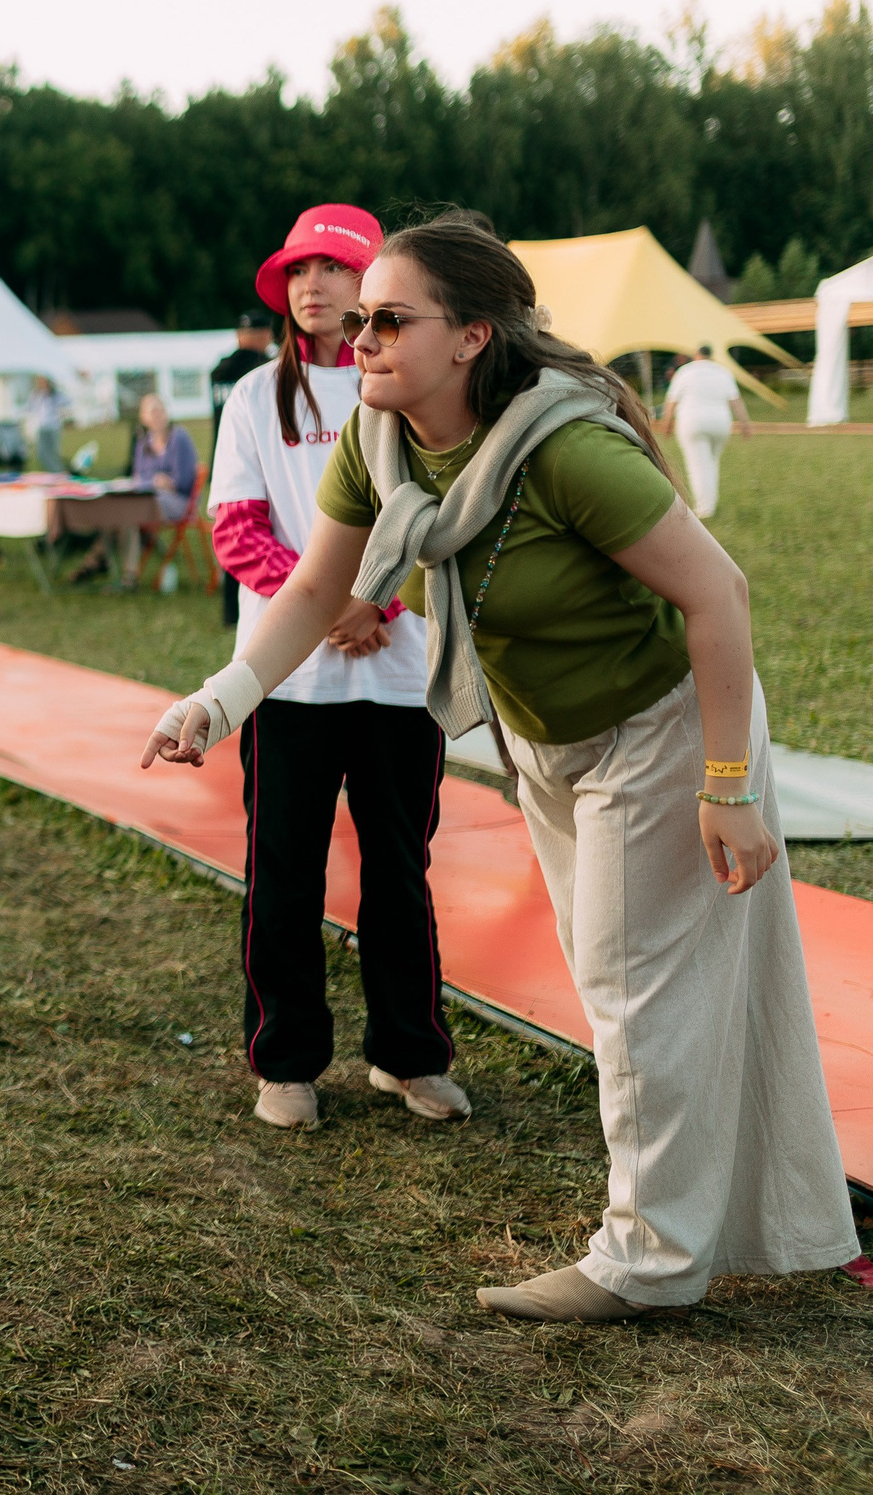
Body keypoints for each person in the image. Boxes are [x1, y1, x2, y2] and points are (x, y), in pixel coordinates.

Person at [144, 210, 858, 1323]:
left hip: (661, 731)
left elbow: (718, 593)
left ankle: (646, 1258)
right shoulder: (377, 443)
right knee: (635, 990)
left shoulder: (562, 445)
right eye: (361, 318)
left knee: (630, 993)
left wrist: (730, 785)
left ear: (472, 335)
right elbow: (310, 591)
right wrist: (217, 702)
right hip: (548, 744)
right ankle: (735, 1221)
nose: (363, 338)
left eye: (390, 318)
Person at [207, 203, 455, 1132]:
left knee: (399, 871)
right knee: (284, 875)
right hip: (289, 684)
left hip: (398, 680)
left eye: (333, 270)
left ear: (374, 288)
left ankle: (409, 1055)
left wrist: (378, 604)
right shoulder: (250, 399)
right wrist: (329, 611)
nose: (312, 286)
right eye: (299, 271)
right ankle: (286, 1063)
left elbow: (441, 520)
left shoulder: (409, 391)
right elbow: (238, 532)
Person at [72, 394, 195, 586]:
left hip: (177, 502)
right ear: (143, 418)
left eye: (159, 409)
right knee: (120, 510)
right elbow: (139, 477)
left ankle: (116, 570)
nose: (157, 415)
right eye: (151, 411)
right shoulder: (143, 442)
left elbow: (182, 481)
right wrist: (155, 480)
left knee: (128, 510)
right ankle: (99, 563)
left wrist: (155, 481)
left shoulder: (179, 438)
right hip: (148, 499)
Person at [210, 312, 277, 625]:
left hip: (222, 457)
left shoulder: (219, 371)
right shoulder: (262, 371)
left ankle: (229, 611)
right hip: (259, 458)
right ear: (265, 335)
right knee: (263, 538)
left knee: (235, 541)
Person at [657, 344, 751, 520]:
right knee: (712, 463)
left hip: (692, 422)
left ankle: (704, 508)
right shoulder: (722, 372)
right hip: (720, 423)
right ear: (711, 355)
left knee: (698, 465)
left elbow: (671, 402)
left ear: (696, 355)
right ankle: (710, 503)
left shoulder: (685, 372)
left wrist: (666, 426)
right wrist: (745, 424)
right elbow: (736, 401)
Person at [20, 372, 67, 474]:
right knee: (42, 453)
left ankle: (60, 473)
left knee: (53, 452)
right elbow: (29, 407)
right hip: (42, 427)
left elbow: (66, 405)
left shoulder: (56, 395)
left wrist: (62, 413)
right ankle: (56, 472)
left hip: (53, 426)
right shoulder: (36, 394)